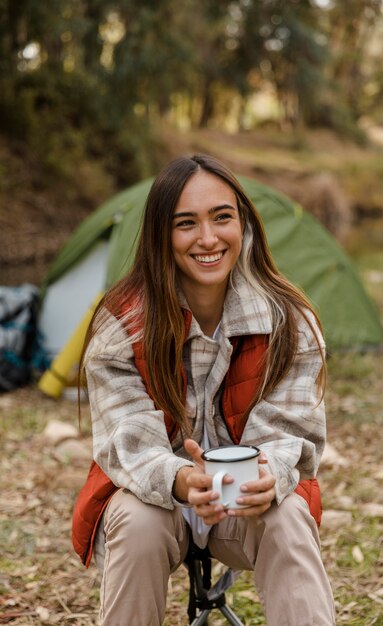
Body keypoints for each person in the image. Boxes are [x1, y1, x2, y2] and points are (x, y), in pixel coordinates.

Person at [72, 154, 335, 625]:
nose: (208, 239)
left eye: (222, 217)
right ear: (160, 235)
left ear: (244, 224)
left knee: (288, 517)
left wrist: (267, 475)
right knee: (137, 525)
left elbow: (292, 434)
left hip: (247, 503)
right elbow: (126, 439)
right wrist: (179, 479)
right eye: (185, 223)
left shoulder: (291, 321)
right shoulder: (121, 324)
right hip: (158, 495)